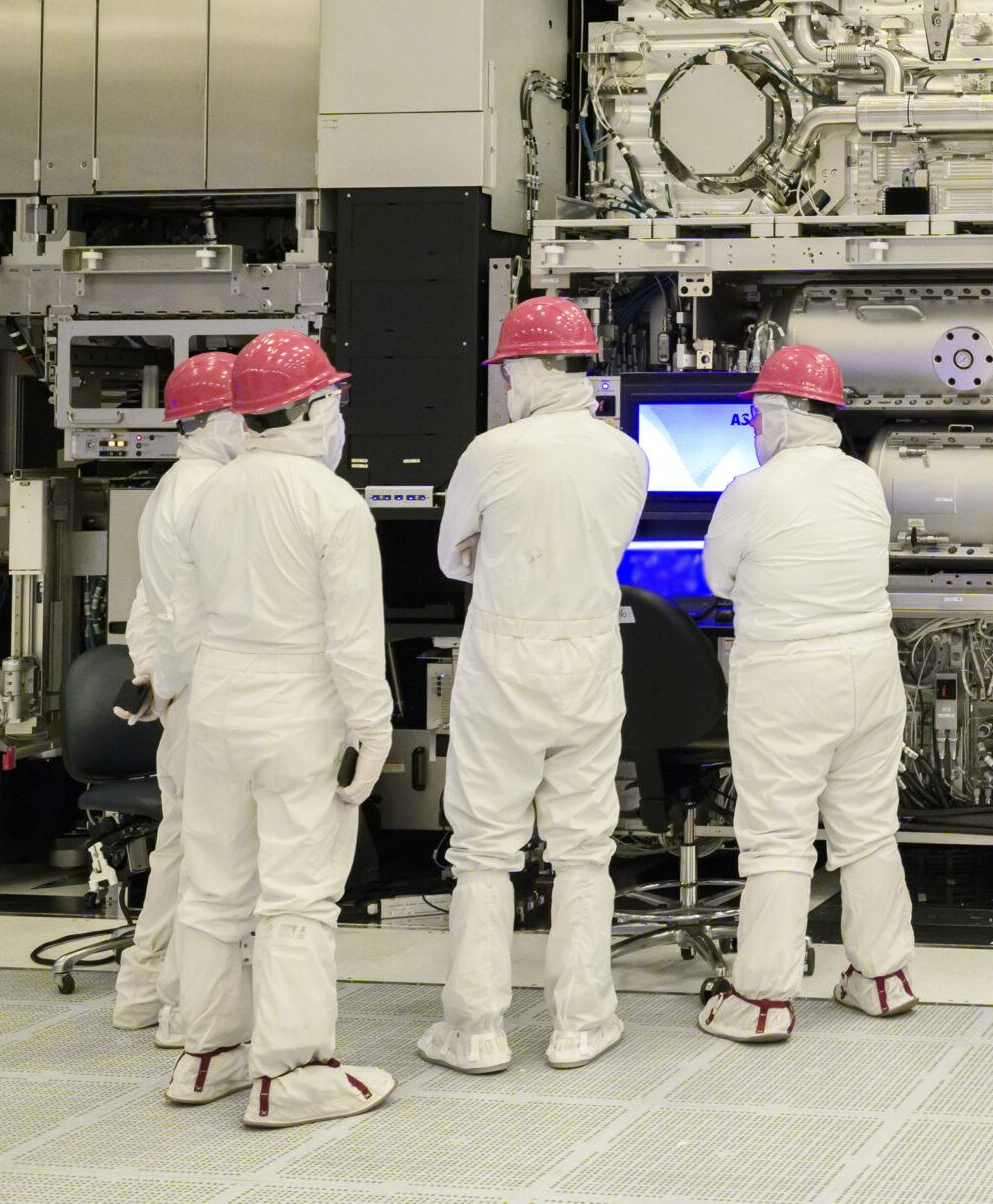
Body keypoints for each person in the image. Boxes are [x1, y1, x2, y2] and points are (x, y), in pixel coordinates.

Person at [167, 330, 396, 1126]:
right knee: (298, 896)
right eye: (332, 397)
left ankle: (209, 1054)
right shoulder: (333, 502)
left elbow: (186, 617)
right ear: (310, 407)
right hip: (299, 707)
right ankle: (289, 1073)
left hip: (218, 704)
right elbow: (353, 640)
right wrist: (374, 730)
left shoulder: (212, 491)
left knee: (214, 888)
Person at [419, 297, 648, 1075]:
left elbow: (454, 557)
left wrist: (496, 550)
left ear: (521, 368)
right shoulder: (625, 455)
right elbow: (606, 544)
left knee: (485, 848)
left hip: (504, 661)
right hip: (587, 658)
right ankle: (582, 1022)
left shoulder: (492, 451)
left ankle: (477, 1028)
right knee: (585, 847)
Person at [697, 345, 916, 1040]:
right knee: (868, 827)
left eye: (755, 414)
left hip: (789, 675)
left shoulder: (751, 490)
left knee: (778, 837)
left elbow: (714, 579)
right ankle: (881, 977)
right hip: (872, 671)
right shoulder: (863, 481)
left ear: (776, 412)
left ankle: (761, 998)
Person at [110, 352, 245, 1048]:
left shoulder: (172, 487)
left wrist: (153, 676)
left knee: (180, 844)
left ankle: (143, 985)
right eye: (245, 411)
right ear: (217, 418)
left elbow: (147, 603)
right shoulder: (211, 493)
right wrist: (170, 679)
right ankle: (178, 1003)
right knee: (205, 852)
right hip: (206, 690)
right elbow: (189, 614)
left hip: (184, 691)